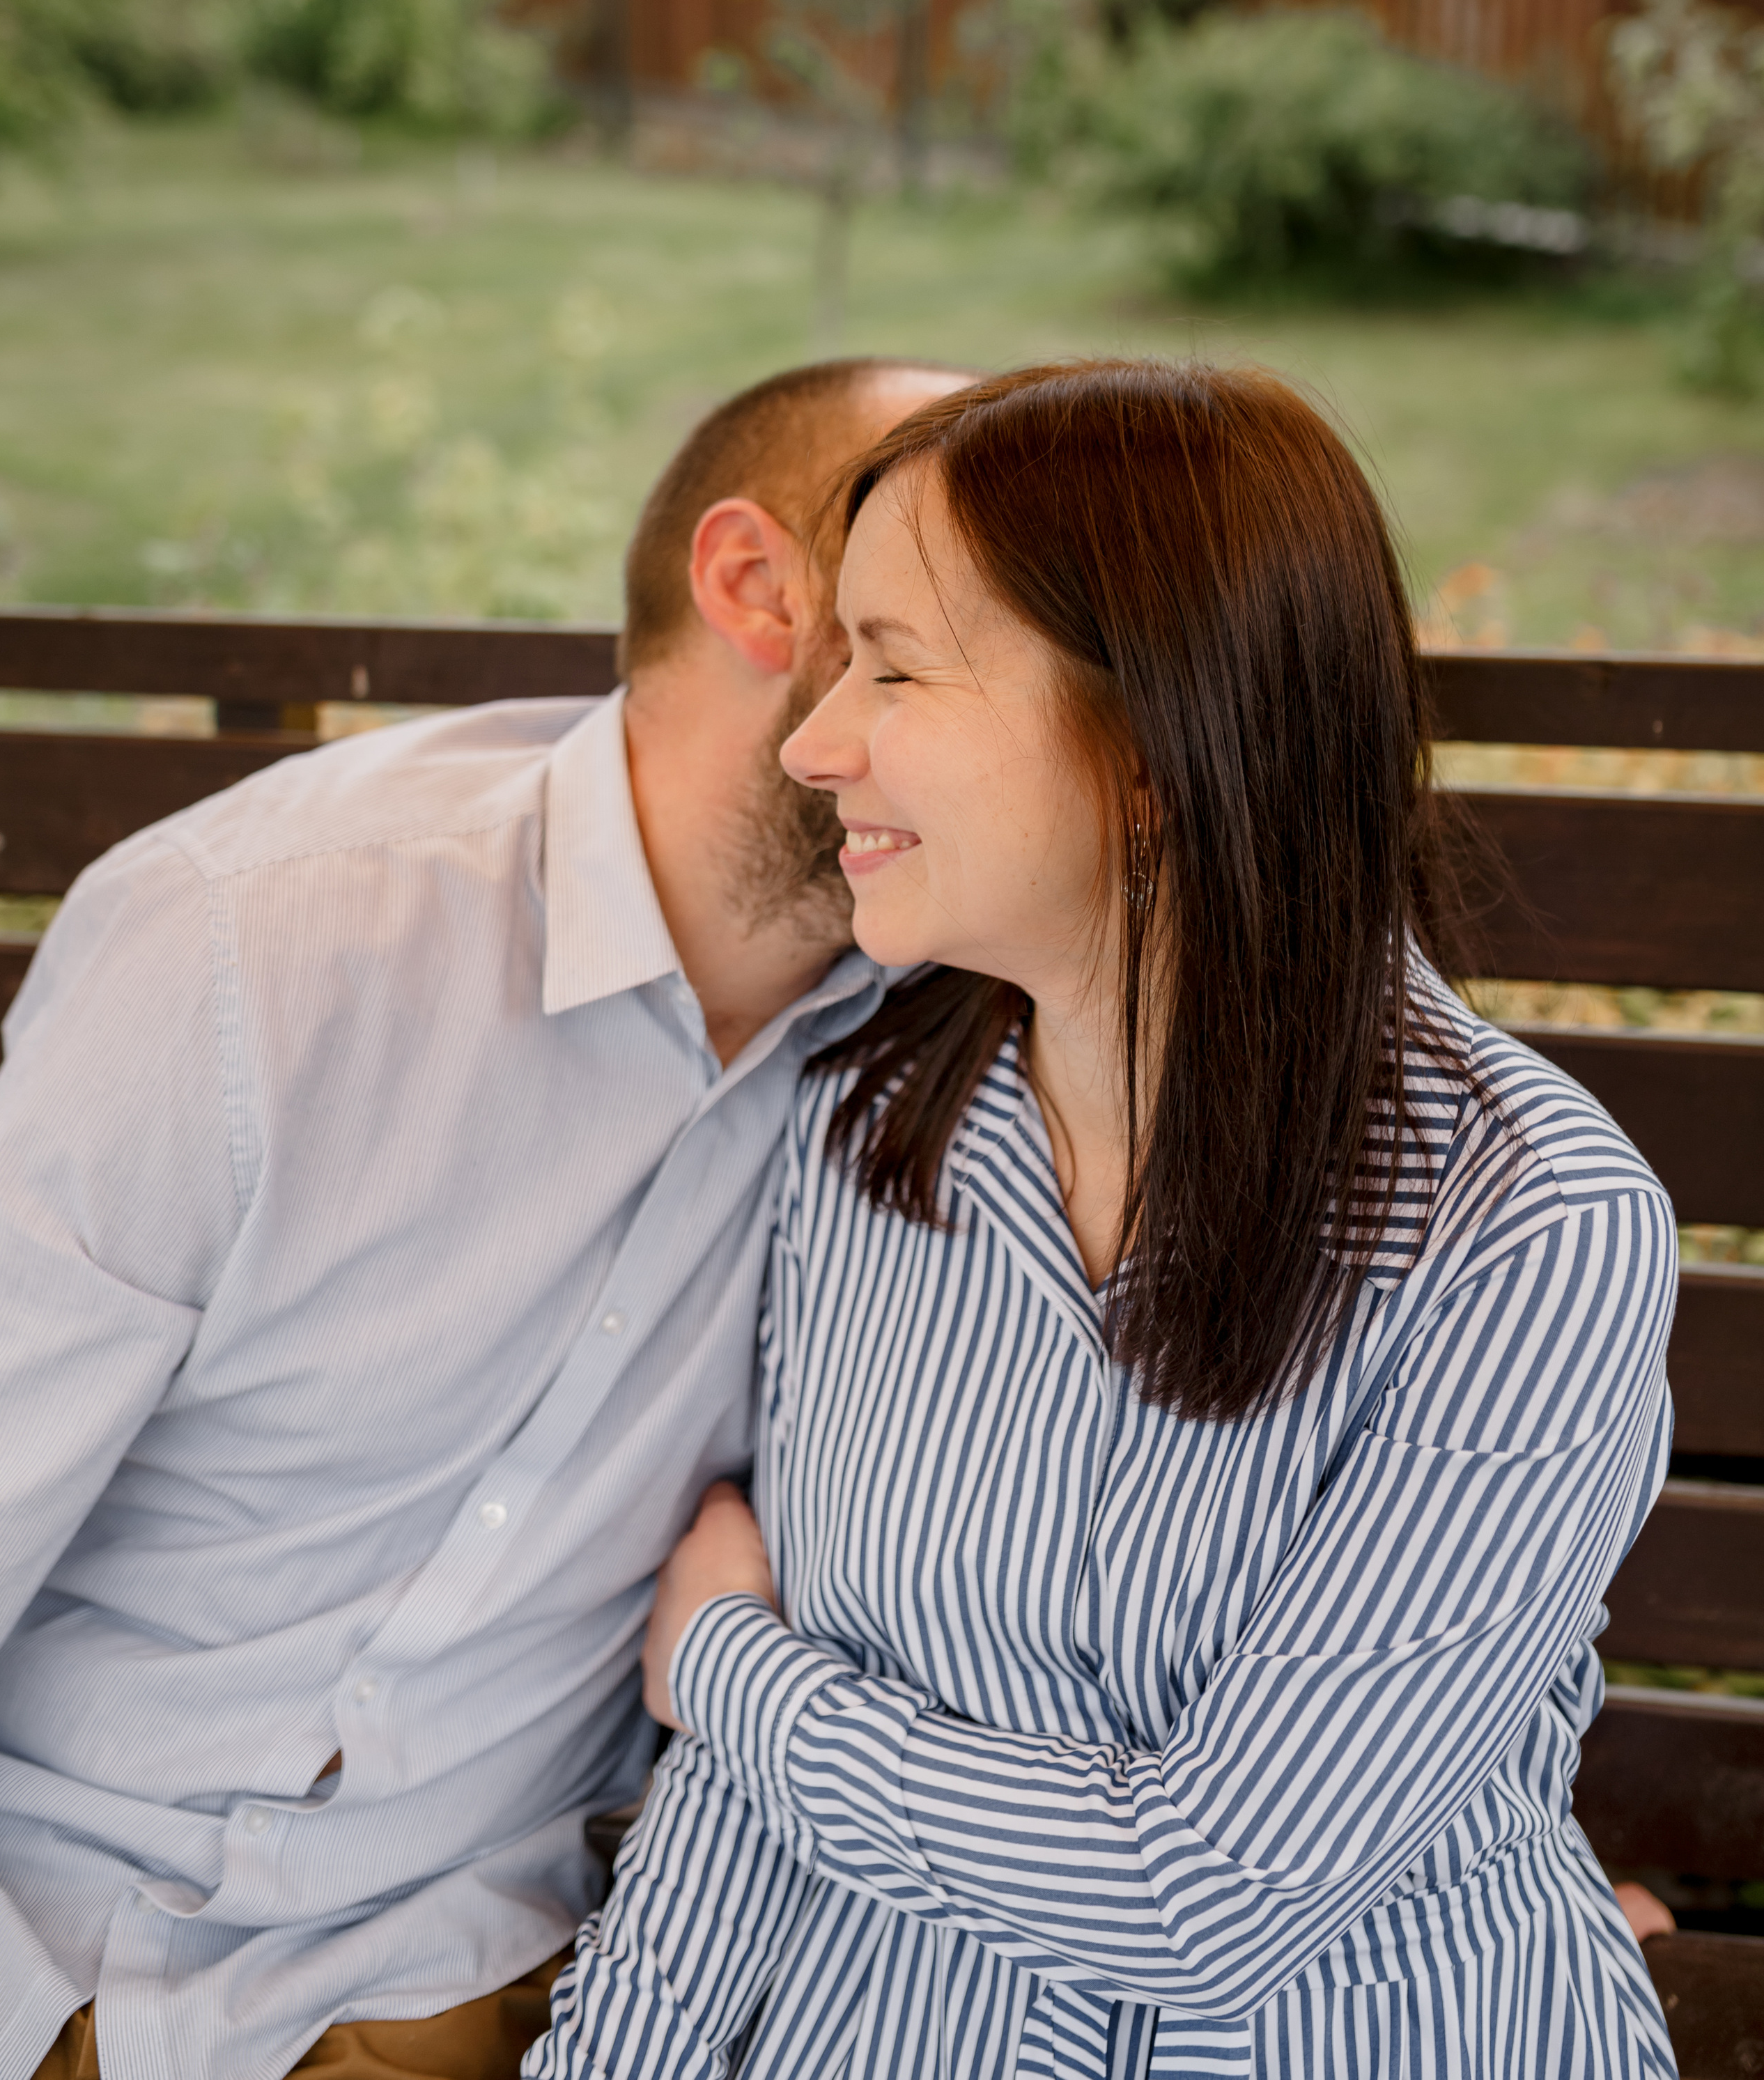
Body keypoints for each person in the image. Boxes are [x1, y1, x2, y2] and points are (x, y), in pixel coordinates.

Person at [531, 360, 1681, 2079]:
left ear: (1153, 747)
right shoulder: (872, 1134)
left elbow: (1211, 1890)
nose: (813, 737)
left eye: (894, 667)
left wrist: (739, 1675)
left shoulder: (1523, 1225)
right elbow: (741, 1810)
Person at [0, 355, 973, 2080]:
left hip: (495, 1984)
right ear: (758, 588)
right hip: (53, 1947)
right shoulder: (258, 949)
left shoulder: (960, 1034)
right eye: (971, 612)